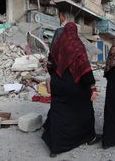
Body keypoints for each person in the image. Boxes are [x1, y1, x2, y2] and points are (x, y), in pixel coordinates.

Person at [42, 22, 100, 157]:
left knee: (58, 112)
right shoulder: (77, 46)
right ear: (74, 32)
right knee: (85, 109)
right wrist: (91, 86)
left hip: (58, 83)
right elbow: (84, 68)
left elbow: (50, 65)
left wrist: (55, 78)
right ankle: (90, 138)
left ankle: (55, 148)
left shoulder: (57, 45)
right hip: (74, 85)